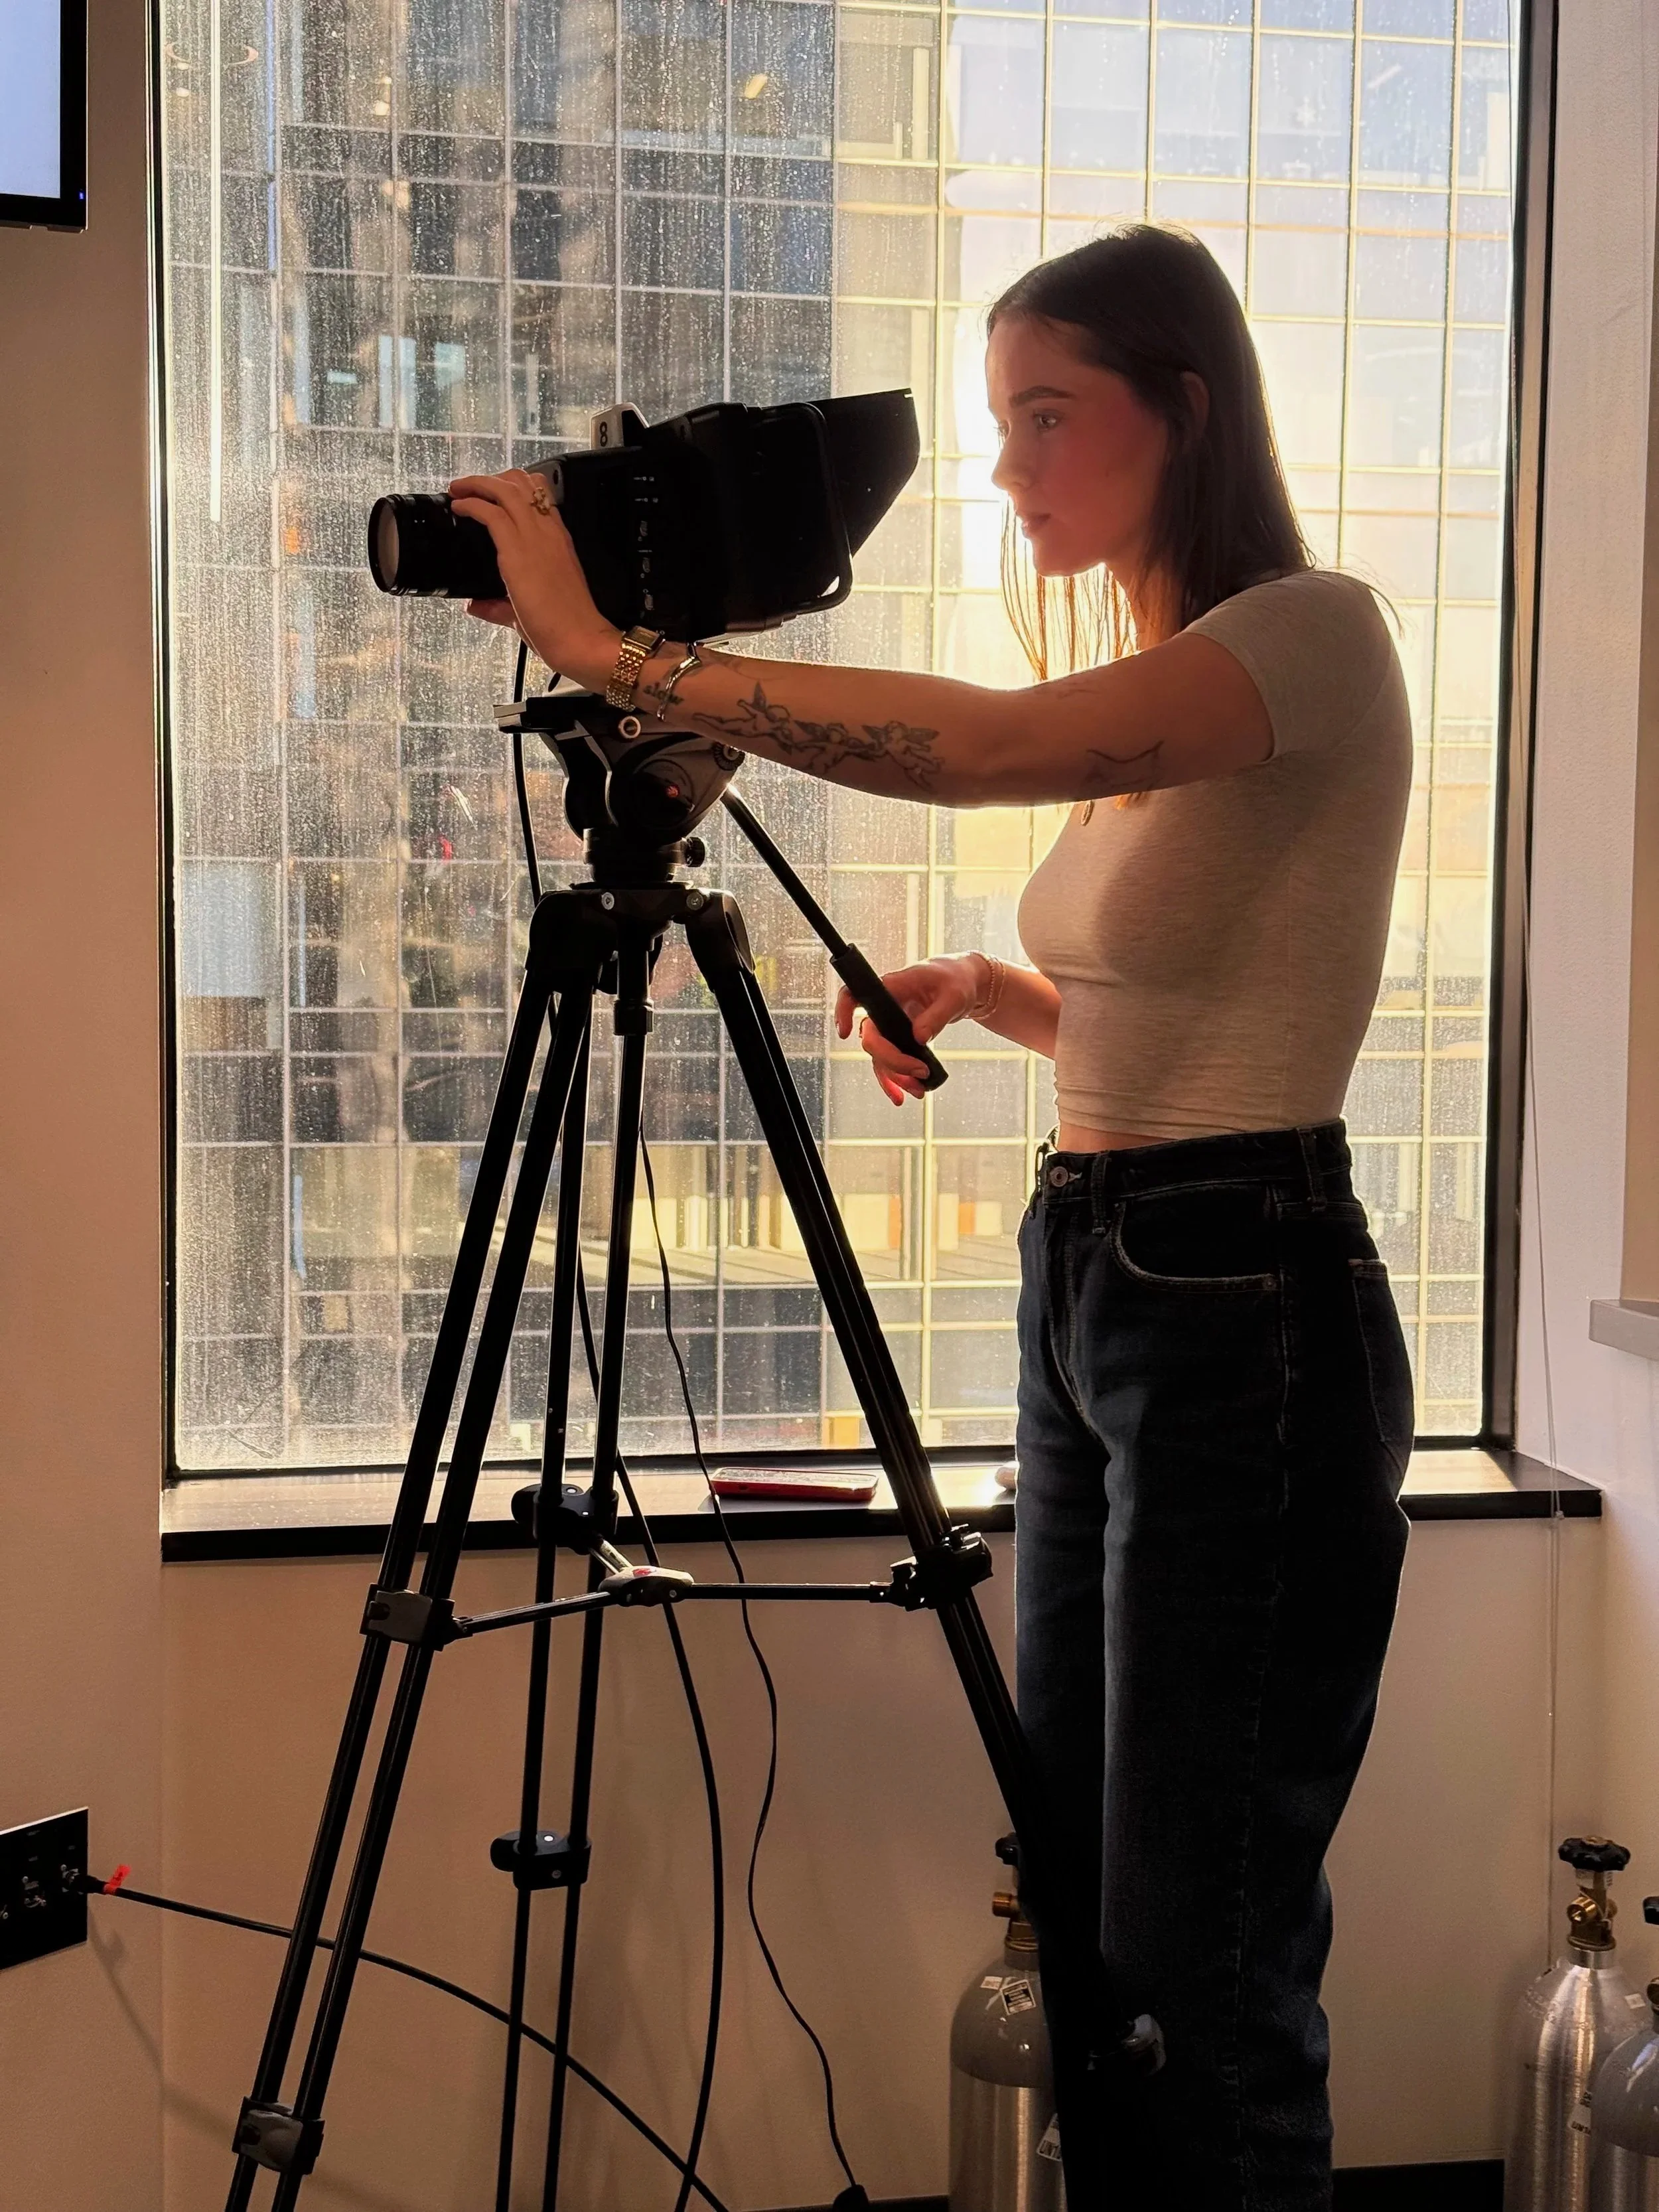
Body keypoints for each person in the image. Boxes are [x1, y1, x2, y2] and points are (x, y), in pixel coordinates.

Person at [453, 222, 1416, 2212]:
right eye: (1000, 423)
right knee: (1083, 1912)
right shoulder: (1154, 705)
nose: (1010, 466)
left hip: (1240, 1301)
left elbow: (967, 750)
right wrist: (989, 995)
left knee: (1200, 1949)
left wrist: (606, 647)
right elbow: (1205, 1012)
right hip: (1108, 1274)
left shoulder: (1303, 636)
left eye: (1047, 417)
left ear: (1185, 411)